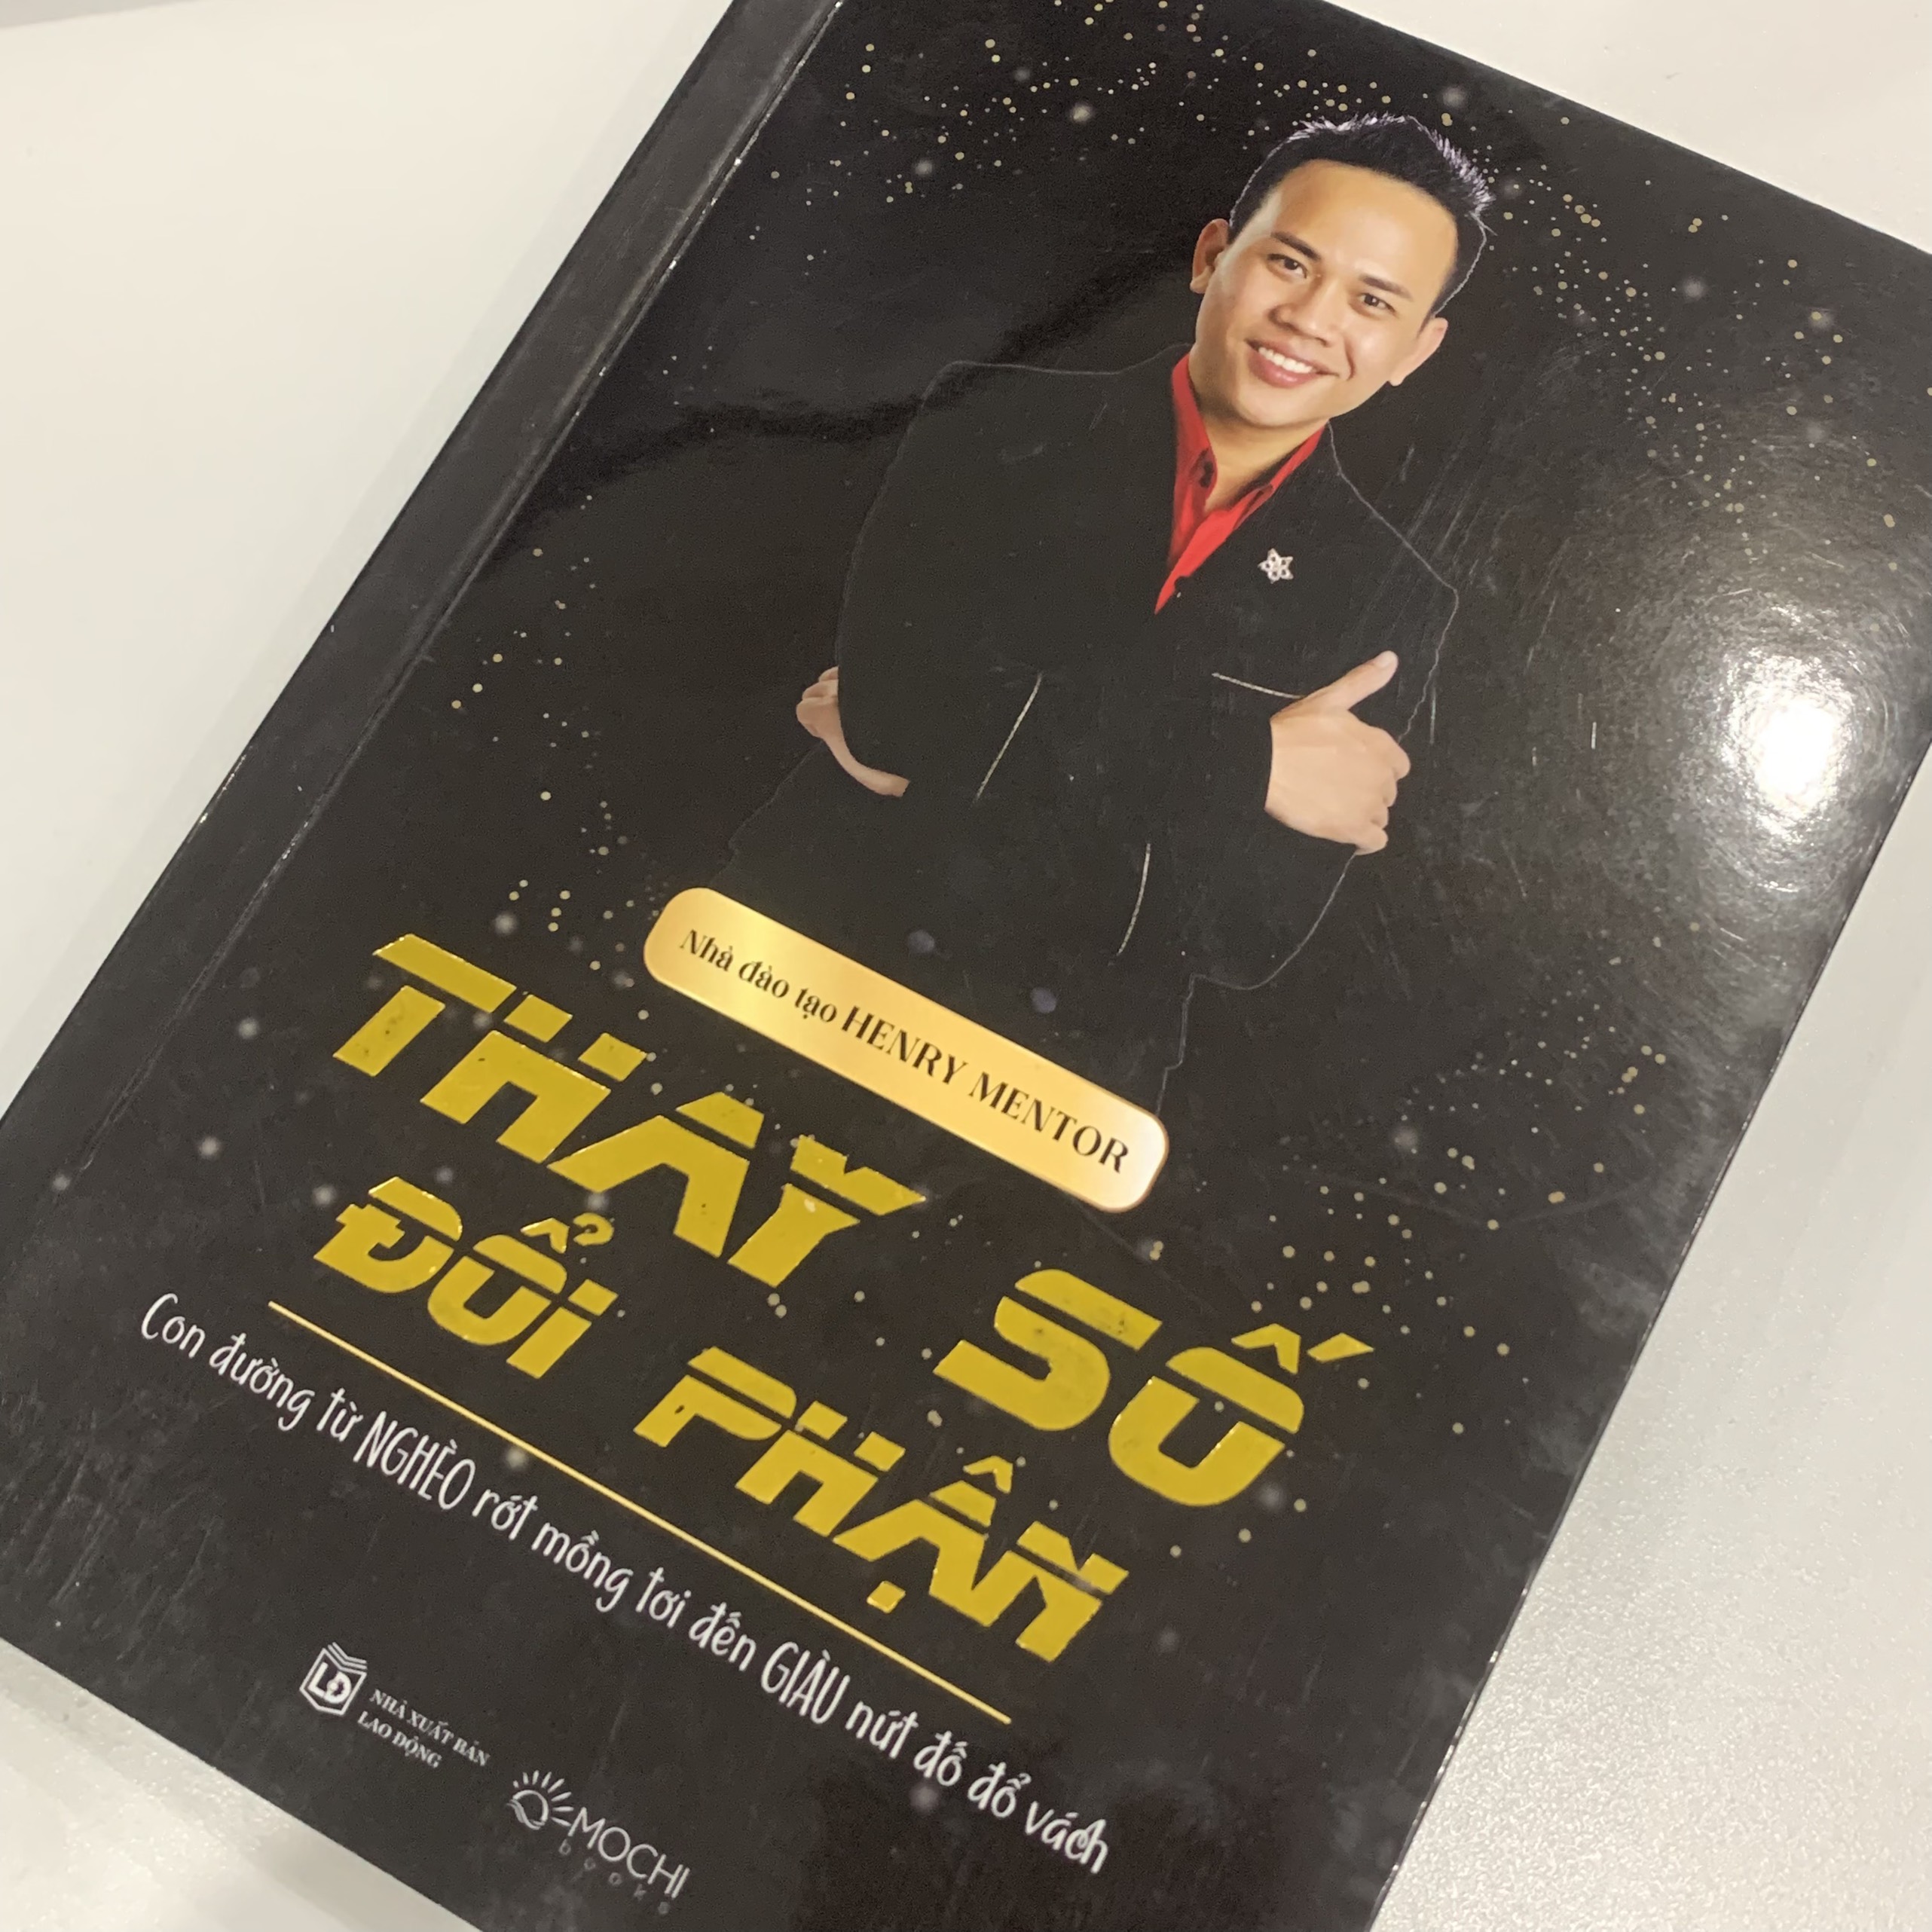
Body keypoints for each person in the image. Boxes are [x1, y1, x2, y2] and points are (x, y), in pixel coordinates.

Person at [719, 115, 1490, 1108]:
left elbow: (1240, 934)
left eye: (1372, 300)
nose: (1310, 317)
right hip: (791, 949)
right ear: (1213, 257)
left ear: (1416, 349)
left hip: (1066, 1074)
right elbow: (895, 714)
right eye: (1289, 263)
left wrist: (955, 762)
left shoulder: (1393, 598)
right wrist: (1246, 765)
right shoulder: (991, 421)